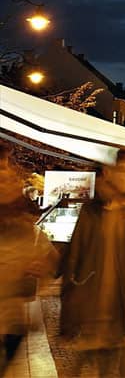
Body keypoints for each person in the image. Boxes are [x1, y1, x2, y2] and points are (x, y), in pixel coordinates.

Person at [59, 149, 125, 377]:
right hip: (91, 313)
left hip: (115, 315)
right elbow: (74, 261)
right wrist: (68, 318)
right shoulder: (92, 211)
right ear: (108, 172)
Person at [0, 144, 57, 376]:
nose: (5, 176)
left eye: (5, 168)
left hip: (10, 322)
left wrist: (40, 270)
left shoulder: (21, 224)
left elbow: (50, 258)